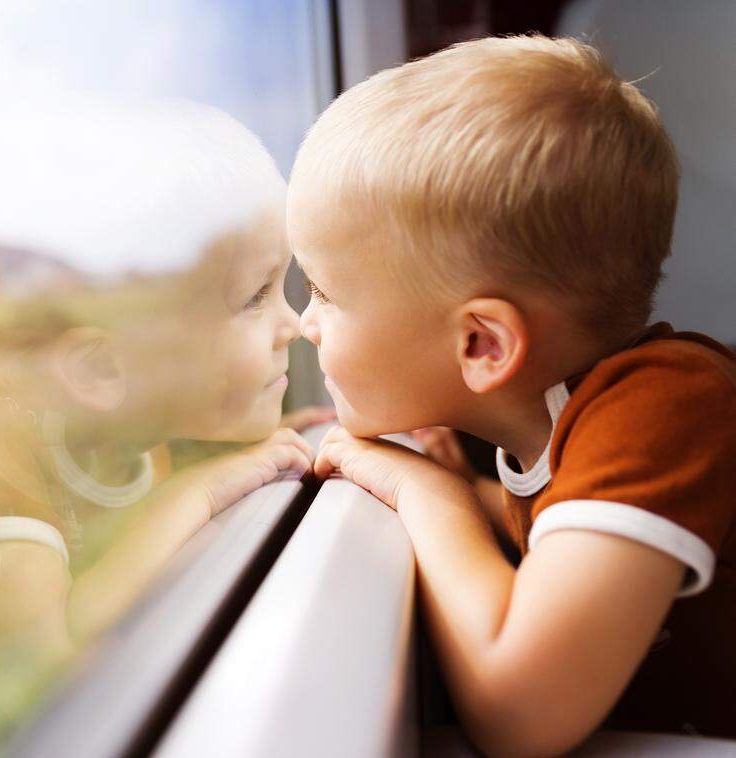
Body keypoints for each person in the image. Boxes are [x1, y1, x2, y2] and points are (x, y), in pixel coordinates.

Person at [288, 35, 736, 754]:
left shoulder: (665, 406)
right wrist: (466, 484)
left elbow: (520, 714)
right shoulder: (572, 420)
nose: (303, 322)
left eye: (323, 291)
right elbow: (573, 538)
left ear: (482, 346)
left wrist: (426, 494)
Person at [0, 100, 329, 685]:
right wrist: (197, 493)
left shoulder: (125, 430)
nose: (294, 323)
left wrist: (238, 456)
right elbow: (58, 669)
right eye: (255, 296)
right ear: (100, 372)